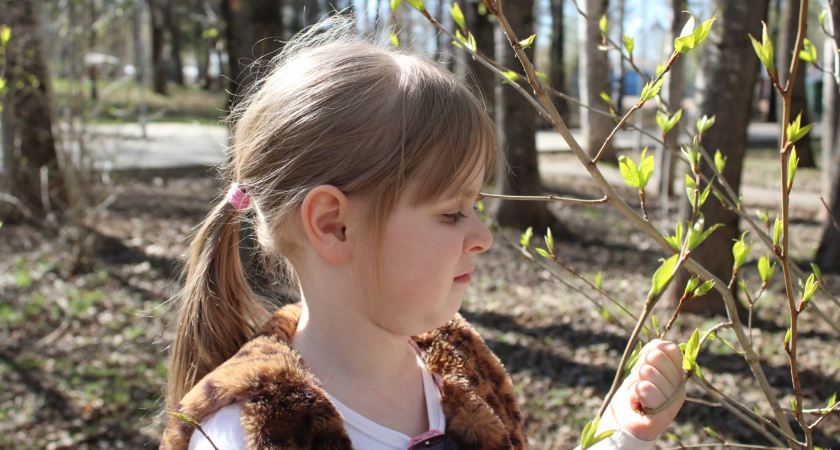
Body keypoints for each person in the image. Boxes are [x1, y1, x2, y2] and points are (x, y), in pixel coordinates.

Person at [160, 20, 686, 450]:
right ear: (333, 225)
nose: (483, 236)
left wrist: (620, 437)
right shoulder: (254, 436)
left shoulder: (462, 373)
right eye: (451, 213)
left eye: (476, 207)